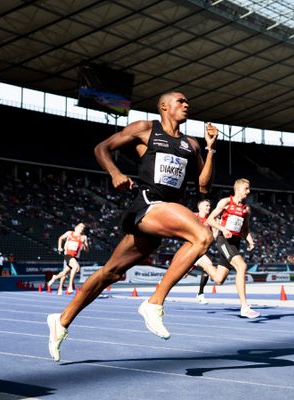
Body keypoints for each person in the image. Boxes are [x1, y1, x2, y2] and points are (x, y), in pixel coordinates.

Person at [47, 91, 218, 362]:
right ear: (164, 106)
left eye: (188, 101)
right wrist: (115, 173)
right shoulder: (146, 129)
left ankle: (62, 320)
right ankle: (154, 303)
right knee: (202, 236)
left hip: (163, 215)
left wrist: (210, 148)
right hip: (147, 205)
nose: (187, 105)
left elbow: (204, 186)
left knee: (110, 274)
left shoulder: (191, 144)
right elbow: (101, 148)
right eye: (180, 101)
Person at [204, 178, 260, 318]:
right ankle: (244, 307)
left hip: (235, 243)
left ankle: (204, 263)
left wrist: (251, 242)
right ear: (238, 189)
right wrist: (223, 228)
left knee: (219, 279)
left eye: (248, 188)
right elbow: (210, 219)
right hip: (223, 240)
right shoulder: (225, 202)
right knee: (241, 266)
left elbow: (245, 230)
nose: (249, 191)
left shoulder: (246, 209)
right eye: (246, 188)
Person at [48, 223, 89, 295]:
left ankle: (55, 277)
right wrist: (59, 247)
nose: (82, 228)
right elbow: (60, 238)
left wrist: (85, 245)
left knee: (65, 273)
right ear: (76, 227)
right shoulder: (69, 233)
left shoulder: (84, 237)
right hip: (68, 255)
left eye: (83, 227)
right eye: (81, 227)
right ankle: (70, 286)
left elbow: (87, 250)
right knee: (76, 267)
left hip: (76, 257)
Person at [192, 199, 218, 304]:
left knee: (208, 266)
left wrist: (217, 230)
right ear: (200, 207)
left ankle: (200, 294)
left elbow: (213, 239)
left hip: (201, 251)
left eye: (209, 206)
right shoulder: (193, 216)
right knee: (182, 275)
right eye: (206, 205)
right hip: (190, 249)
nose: (209, 207)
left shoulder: (210, 221)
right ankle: (162, 285)